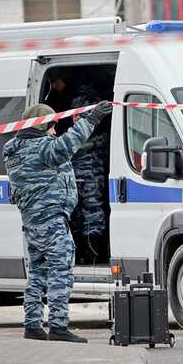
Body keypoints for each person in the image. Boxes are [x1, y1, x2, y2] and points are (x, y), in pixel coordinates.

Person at [3, 101, 112, 342]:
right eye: (52, 126)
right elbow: (64, 146)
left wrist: (78, 125)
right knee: (60, 270)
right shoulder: (43, 148)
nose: (55, 131)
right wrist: (91, 119)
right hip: (51, 220)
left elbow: (59, 148)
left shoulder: (17, 151)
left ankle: (32, 325)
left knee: (38, 273)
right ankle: (58, 326)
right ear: (42, 127)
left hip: (33, 222)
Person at [69, 79, 111, 265]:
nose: (75, 119)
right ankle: (84, 252)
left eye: (79, 115)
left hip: (92, 177)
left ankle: (93, 253)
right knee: (79, 215)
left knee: (93, 214)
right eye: (74, 115)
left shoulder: (99, 136)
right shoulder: (76, 134)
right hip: (78, 179)